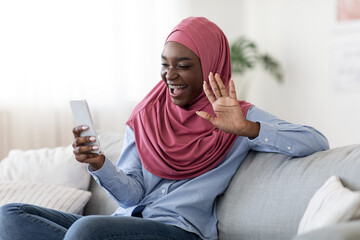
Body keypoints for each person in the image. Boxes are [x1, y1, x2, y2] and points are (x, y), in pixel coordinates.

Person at [0, 17, 329, 240]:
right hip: (123, 225)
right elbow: (133, 193)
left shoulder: (234, 117)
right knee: (11, 214)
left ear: (210, 66)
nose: (169, 75)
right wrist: (99, 164)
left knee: (86, 233)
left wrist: (249, 128)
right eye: (164, 64)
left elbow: (315, 142)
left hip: (178, 230)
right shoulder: (146, 115)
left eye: (183, 66)